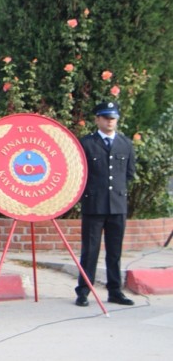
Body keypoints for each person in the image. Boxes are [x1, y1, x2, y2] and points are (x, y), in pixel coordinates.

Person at [75, 102, 136, 307]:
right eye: (106, 117)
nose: (110, 121)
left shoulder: (125, 143)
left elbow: (128, 173)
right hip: (94, 205)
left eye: (113, 117)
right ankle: (84, 290)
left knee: (114, 251)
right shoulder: (86, 143)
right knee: (90, 250)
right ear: (97, 119)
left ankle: (115, 291)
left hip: (117, 205)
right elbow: (79, 174)